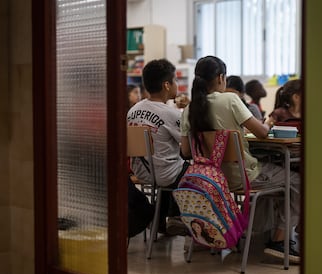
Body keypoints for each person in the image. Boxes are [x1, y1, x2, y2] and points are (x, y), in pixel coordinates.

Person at [180, 55, 300, 263]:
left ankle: (253, 230)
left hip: (211, 181)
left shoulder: (190, 109)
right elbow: (262, 132)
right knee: (297, 180)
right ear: (220, 78)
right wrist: (269, 124)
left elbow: (186, 152)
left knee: (276, 182)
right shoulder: (230, 99)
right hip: (242, 176)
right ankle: (279, 242)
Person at [127, 59, 189, 236]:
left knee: (172, 165)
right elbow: (188, 145)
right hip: (164, 174)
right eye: (175, 80)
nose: (177, 84)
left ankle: (158, 220)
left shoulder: (132, 110)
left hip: (141, 171)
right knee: (193, 169)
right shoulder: (171, 113)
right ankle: (177, 217)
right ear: (167, 85)